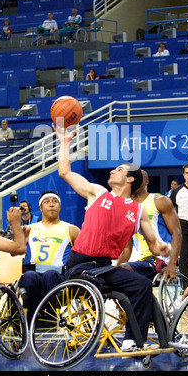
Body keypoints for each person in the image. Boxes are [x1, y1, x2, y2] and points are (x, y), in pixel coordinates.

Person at [55, 125, 171, 352]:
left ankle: (131, 340)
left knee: (141, 285)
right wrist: (65, 142)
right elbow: (65, 172)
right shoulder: (97, 193)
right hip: (79, 265)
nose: (112, 171)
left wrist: (164, 249)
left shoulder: (138, 212)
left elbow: (154, 246)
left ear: (130, 179)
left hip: (104, 268)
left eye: (118, 169)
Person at [17, 190, 80, 323]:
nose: (51, 204)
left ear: (60, 206)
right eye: (47, 202)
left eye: (55, 201)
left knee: (50, 275)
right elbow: (14, 251)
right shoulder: (29, 229)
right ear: (40, 207)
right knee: (29, 276)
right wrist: (15, 226)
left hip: (57, 276)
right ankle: (32, 319)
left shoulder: (71, 229)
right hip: (34, 274)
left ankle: (51, 319)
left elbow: (84, 253)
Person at [118, 169, 182, 281]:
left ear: (146, 181)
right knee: (118, 271)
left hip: (162, 258)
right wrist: (115, 269)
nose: (135, 182)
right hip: (143, 260)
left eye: (139, 179)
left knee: (125, 269)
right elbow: (127, 248)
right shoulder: (126, 208)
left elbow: (177, 233)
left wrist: (172, 263)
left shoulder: (160, 201)